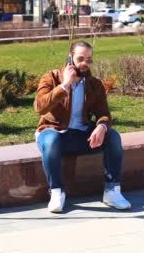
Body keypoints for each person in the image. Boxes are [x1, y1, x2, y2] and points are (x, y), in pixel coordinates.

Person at [34, 41, 131, 213]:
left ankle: (112, 191)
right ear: (70, 57)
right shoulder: (51, 77)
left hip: (81, 136)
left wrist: (102, 126)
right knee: (52, 140)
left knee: (113, 136)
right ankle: (57, 192)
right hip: (53, 133)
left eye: (89, 59)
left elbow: (104, 114)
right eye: (80, 59)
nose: (85, 63)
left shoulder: (94, 84)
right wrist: (64, 85)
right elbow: (39, 107)